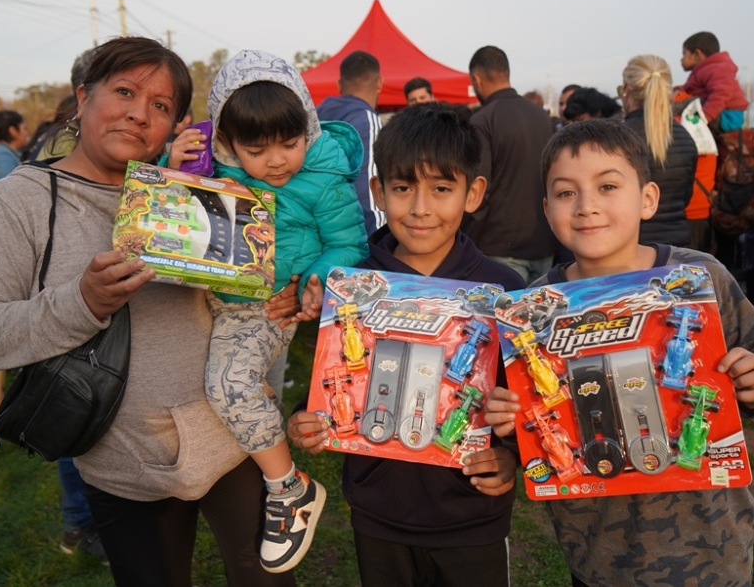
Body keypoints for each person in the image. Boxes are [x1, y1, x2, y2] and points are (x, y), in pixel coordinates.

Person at [0, 36, 308, 587]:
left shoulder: (195, 192)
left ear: (176, 125)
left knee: (268, 580)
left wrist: (282, 297)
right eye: (125, 92)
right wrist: (81, 303)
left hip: (232, 443)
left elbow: (245, 290)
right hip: (123, 462)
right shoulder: (18, 202)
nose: (139, 113)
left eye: (160, 106)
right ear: (83, 97)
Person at [485, 119, 754, 586]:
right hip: (598, 551)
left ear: (647, 198)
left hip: (710, 547)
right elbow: (532, 421)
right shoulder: (536, 308)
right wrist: (510, 425)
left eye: (607, 186)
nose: (587, 206)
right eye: (566, 193)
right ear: (547, 210)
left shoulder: (698, 278)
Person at [286, 103, 524, 586]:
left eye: (441, 189)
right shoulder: (352, 283)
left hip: (472, 514)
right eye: (402, 188)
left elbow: (521, 403)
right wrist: (305, 418)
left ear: (472, 193)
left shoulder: (503, 291)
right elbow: (333, 377)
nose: (420, 208)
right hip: (378, 514)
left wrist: (511, 456)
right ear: (378, 191)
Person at [168, 49, 367, 573]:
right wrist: (185, 171)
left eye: (290, 142)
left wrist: (316, 279)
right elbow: (168, 222)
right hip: (207, 297)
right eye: (257, 149)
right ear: (229, 143)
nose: (277, 160)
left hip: (261, 309)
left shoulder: (323, 180)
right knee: (220, 390)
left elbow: (348, 244)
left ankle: (289, 487)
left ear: (308, 128)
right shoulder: (222, 170)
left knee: (228, 386)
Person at [465, 45, 556, 283]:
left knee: (503, 319)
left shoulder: (483, 120)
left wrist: (466, 241)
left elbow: (479, 191)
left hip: (500, 247)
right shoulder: (541, 116)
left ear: (476, 79)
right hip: (545, 241)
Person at [620, 54, 698, 247]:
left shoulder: (617, 140)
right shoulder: (686, 138)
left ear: (627, 90)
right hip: (677, 249)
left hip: (631, 250)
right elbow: (685, 197)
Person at [316, 50, 384, 235]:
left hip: (315, 236)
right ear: (380, 83)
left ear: (339, 84)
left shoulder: (314, 116)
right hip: (353, 240)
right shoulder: (367, 121)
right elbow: (368, 194)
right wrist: (380, 247)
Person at [679, 31, 749, 131]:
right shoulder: (701, 71)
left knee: (692, 104)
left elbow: (721, 94)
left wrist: (704, 118)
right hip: (717, 112)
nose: (681, 59)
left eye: (684, 54)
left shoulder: (718, 68)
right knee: (689, 101)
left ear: (696, 54)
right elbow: (690, 88)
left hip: (727, 115)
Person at [0, 110, 29, 188]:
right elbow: (11, 189)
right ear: (13, 131)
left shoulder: (6, 153)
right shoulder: (3, 157)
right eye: (24, 128)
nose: (26, 133)